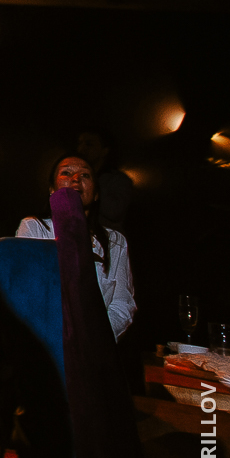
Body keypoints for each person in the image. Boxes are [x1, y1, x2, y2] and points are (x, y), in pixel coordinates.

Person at [13, 154, 137, 341]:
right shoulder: (34, 227)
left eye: (85, 175)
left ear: (96, 194)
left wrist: (91, 340)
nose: (76, 179)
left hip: (94, 346)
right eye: (66, 173)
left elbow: (122, 304)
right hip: (45, 342)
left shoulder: (115, 241)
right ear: (52, 189)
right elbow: (26, 290)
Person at [75, 127, 134, 232]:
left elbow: (114, 212)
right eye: (80, 143)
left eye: (89, 144)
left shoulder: (119, 180)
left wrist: (90, 184)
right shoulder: (72, 177)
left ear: (104, 151)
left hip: (104, 240)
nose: (81, 149)